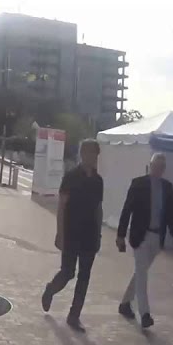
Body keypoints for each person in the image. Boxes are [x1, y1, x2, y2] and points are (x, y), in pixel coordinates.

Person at [41, 139, 103, 332]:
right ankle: (50, 289)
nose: (92, 157)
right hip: (71, 233)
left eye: (95, 154)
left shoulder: (98, 180)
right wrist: (60, 232)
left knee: (84, 276)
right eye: (89, 153)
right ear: (82, 154)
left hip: (90, 235)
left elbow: (99, 208)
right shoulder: (71, 177)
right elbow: (62, 206)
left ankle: (74, 315)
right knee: (68, 272)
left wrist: (99, 233)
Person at [116, 152, 173, 329]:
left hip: (157, 237)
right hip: (140, 235)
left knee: (140, 271)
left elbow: (171, 212)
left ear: (164, 169)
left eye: (161, 167)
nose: (158, 169)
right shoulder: (138, 184)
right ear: (150, 166)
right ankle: (145, 314)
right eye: (155, 166)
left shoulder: (167, 187)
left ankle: (125, 304)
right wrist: (120, 235)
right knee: (142, 274)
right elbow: (127, 209)